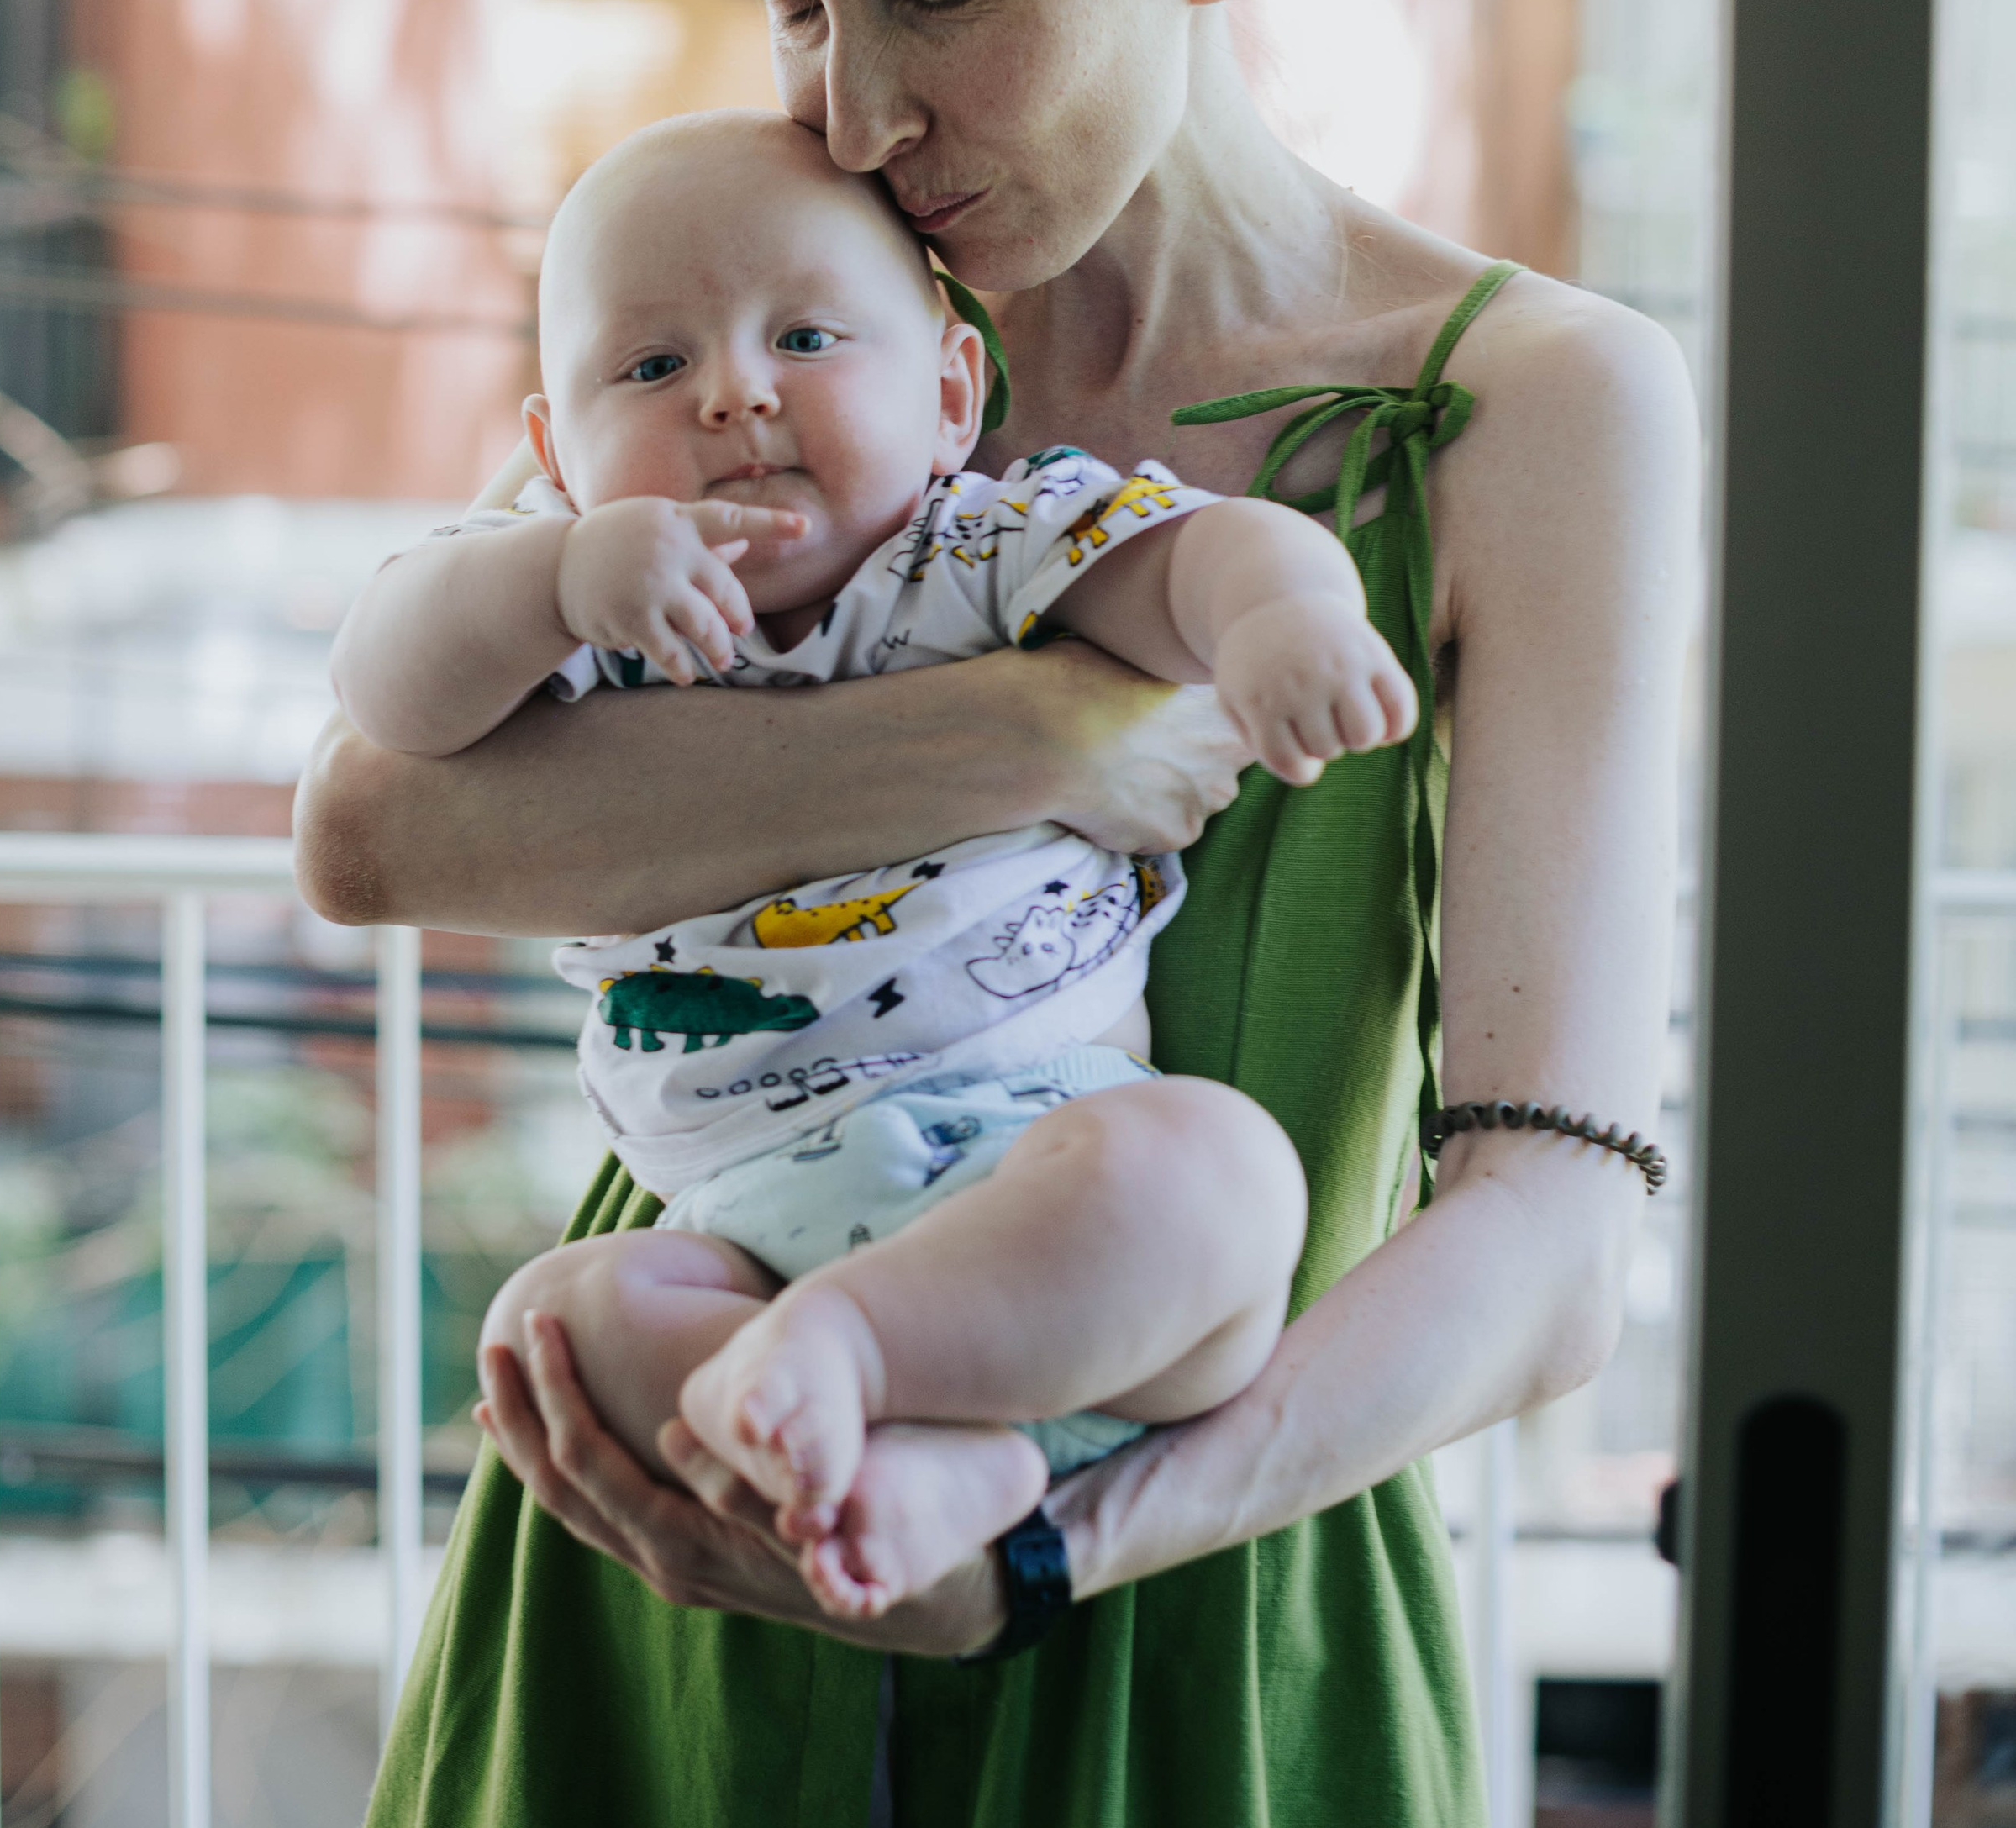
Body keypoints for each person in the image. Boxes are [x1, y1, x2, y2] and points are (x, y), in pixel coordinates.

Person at [297, 0, 1697, 1828]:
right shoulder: (790, 329)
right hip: (696, 1485)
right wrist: (1048, 724)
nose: (849, 112)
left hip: (1204, 1577)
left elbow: (1551, 1235)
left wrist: (1058, 1537)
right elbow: (378, 826)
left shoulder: (1535, 407)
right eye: (794, 0)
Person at [329, 108, 1419, 1617]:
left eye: (809, 338)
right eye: (649, 368)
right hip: (741, 1229)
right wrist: (551, 577)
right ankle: (941, 1464)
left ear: (954, 392)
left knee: (1219, 1179)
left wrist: (1287, 620)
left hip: (1046, 1170)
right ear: (552, 454)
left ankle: (889, 1385)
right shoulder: (609, 620)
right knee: (558, 1324)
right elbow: (388, 693)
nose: (732, 396)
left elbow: (1207, 553)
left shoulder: (985, 549)